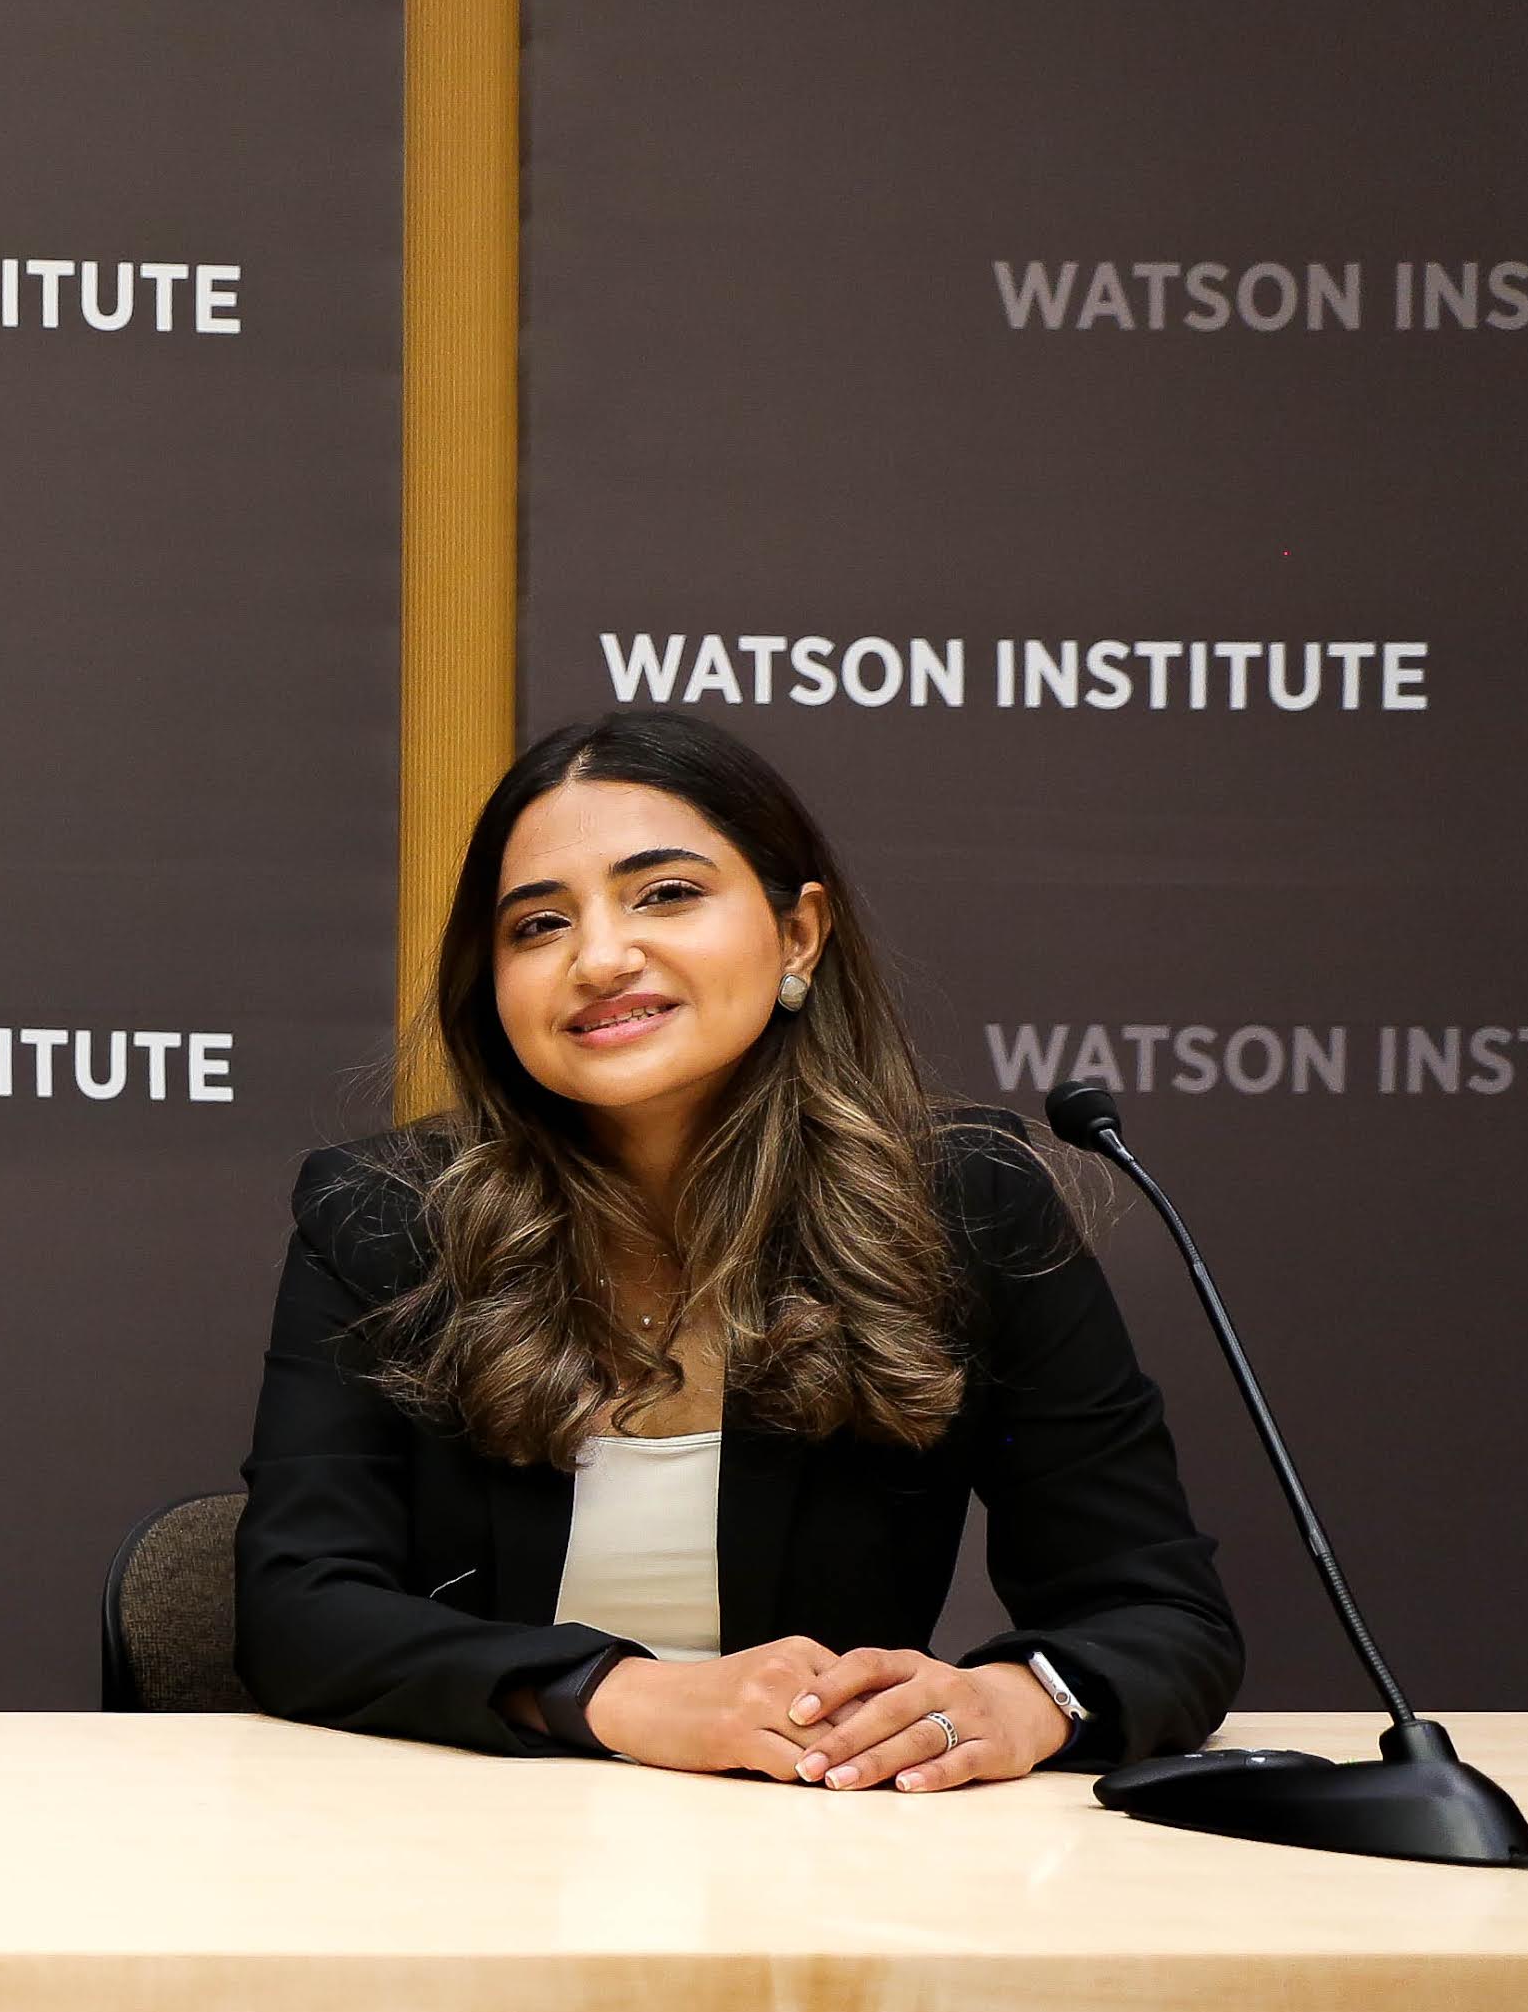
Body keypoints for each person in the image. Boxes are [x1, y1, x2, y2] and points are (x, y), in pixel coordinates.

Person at [238, 708, 1239, 1786]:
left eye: (664, 893)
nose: (600, 956)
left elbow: (1155, 1610)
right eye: (536, 925)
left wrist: (1012, 1701)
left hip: (824, 1862)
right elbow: (297, 1610)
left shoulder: (961, 1205)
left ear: (797, 935)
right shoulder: (389, 1217)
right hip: (469, 1853)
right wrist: (619, 1696)